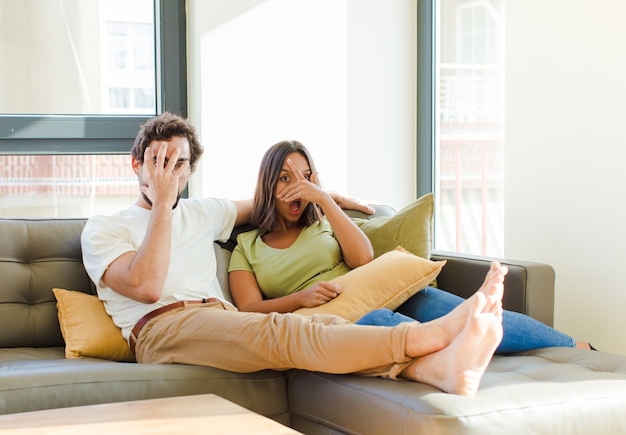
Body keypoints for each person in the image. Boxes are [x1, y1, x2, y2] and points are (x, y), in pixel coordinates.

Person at [80, 112, 506, 397]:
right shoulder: (105, 228)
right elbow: (148, 286)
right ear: (137, 165)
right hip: (161, 328)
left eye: (180, 165)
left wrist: (328, 195)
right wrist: (161, 205)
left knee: (317, 326)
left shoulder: (205, 210)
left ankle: (433, 370)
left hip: (222, 317)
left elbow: (271, 199)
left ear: (191, 171)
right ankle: (428, 336)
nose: (170, 172)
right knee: (281, 331)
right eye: (160, 161)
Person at [228, 140, 591, 354]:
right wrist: (301, 298)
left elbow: (364, 258)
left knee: (466, 310)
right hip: (337, 318)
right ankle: (453, 346)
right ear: (268, 185)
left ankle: (575, 348)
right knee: (378, 325)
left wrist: (325, 199)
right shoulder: (247, 245)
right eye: (285, 178)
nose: (297, 187)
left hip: (383, 291)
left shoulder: (322, 221)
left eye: (306, 177)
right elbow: (248, 308)